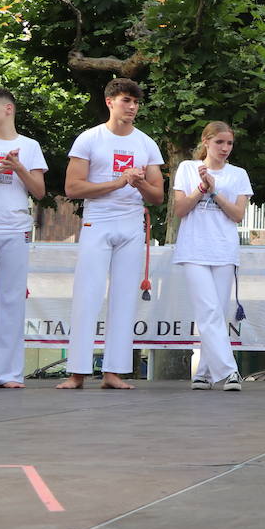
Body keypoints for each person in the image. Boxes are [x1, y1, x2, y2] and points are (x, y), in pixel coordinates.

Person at [58, 78, 165, 391]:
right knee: (87, 295)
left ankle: (114, 371)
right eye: (125, 101)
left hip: (131, 226)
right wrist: (118, 182)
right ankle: (77, 371)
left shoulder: (146, 143)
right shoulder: (90, 139)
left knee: (123, 299)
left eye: (135, 102)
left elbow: (158, 195)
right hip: (98, 223)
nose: (131, 107)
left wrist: (138, 182)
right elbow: (72, 187)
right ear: (110, 102)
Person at [174, 122, 252, 392]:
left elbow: (238, 215)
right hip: (193, 249)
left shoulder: (239, 174)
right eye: (220, 142)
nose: (225, 148)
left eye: (229, 143)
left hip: (224, 250)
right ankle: (229, 372)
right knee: (208, 310)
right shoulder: (186, 168)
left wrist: (215, 191)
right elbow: (181, 209)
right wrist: (202, 189)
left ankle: (204, 373)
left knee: (216, 313)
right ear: (206, 141)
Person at [0, 88, 48, 389]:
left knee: (10, 301)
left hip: (14, 228)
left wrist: (18, 168)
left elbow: (39, 191)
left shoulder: (29, 146)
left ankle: (8, 374)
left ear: (7, 109)